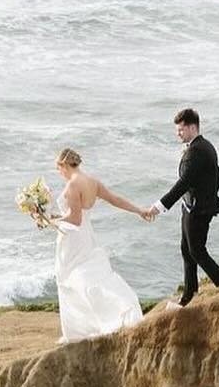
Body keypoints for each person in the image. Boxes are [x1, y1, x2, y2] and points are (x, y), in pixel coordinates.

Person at [44, 147, 152, 344]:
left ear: (64, 165)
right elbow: (115, 199)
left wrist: (50, 220)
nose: (59, 173)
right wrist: (139, 210)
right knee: (91, 277)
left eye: (58, 169)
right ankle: (98, 318)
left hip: (73, 240)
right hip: (88, 237)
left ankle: (82, 329)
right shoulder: (91, 182)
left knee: (70, 279)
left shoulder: (72, 187)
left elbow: (74, 219)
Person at [145, 108, 219, 306]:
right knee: (186, 249)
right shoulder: (203, 145)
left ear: (193, 127)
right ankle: (189, 294)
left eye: (181, 130)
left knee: (197, 251)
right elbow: (218, 177)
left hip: (198, 210)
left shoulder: (197, 151)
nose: (178, 133)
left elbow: (183, 183)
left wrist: (158, 206)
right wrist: (205, 194)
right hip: (192, 206)